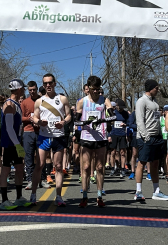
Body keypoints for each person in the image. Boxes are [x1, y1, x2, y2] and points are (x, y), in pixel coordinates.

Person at [30, 73, 72, 207]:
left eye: (50, 82)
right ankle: (33, 194)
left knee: (59, 166)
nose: (48, 85)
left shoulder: (63, 99)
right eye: (45, 83)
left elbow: (69, 115)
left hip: (58, 136)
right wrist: (39, 122)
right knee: (40, 165)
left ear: (54, 83)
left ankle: (58, 196)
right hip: (44, 137)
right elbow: (34, 118)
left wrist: (64, 122)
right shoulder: (39, 101)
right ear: (43, 85)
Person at [75, 76, 115, 208]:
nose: (97, 92)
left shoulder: (105, 100)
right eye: (94, 89)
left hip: (101, 137)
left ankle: (99, 195)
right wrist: (84, 123)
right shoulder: (82, 102)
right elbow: (75, 121)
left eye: (99, 89)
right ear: (88, 89)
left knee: (99, 167)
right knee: (86, 167)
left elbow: (113, 117)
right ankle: (85, 196)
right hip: (86, 137)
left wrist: (103, 120)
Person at [134, 80, 168, 202]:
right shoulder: (141, 101)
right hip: (146, 137)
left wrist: (159, 136)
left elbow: (156, 120)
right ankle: (138, 192)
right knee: (142, 163)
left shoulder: (154, 102)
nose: (158, 90)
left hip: (157, 137)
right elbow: (139, 121)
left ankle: (156, 191)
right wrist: (146, 136)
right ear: (150, 88)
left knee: (155, 164)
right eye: (156, 88)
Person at [0, 78, 33, 210]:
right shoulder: (9, 105)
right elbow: (8, 128)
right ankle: (4, 200)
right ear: (19, 89)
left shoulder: (16, 104)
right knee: (6, 170)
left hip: (17, 141)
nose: (24, 90)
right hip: (9, 143)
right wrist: (17, 144)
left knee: (20, 169)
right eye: (23, 88)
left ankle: (19, 197)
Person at [21, 81, 44, 189]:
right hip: (28, 132)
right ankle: (30, 180)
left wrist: (40, 120)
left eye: (34, 90)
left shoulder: (42, 101)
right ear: (28, 90)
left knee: (41, 157)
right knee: (28, 156)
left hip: (40, 132)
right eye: (30, 90)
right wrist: (29, 118)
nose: (32, 92)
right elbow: (20, 117)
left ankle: (42, 179)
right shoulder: (25, 102)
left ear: (37, 89)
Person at [108, 99, 130, 178]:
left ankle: (123, 168)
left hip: (122, 134)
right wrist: (109, 135)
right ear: (116, 106)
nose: (120, 109)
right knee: (113, 152)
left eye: (122, 108)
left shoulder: (125, 113)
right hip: (114, 134)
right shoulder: (113, 113)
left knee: (122, 152)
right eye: (119, 107)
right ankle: (113, 168)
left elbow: (129, 122)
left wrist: (125, 124)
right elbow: (108, 124)